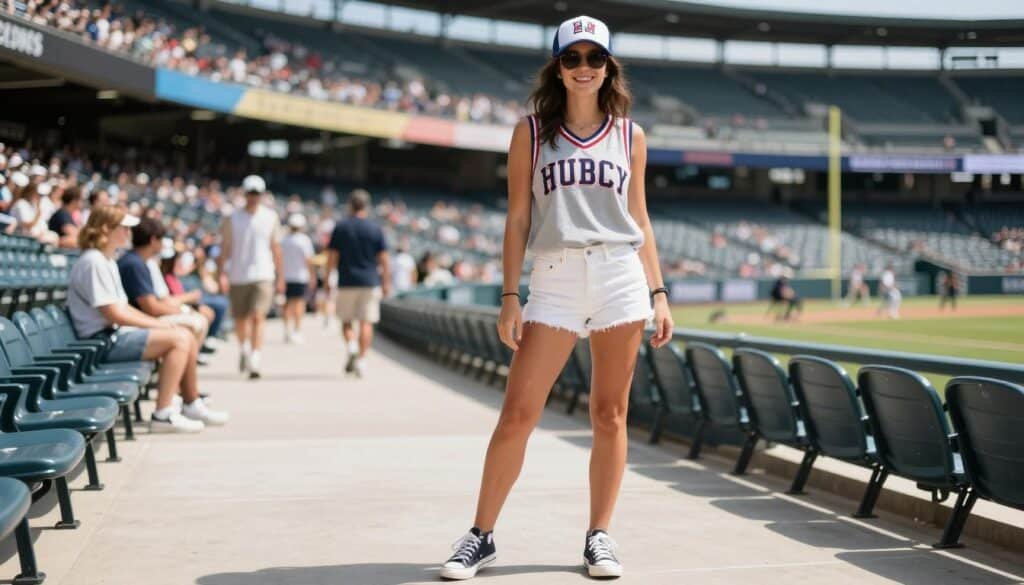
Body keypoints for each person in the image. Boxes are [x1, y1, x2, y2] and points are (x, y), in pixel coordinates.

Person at [438, 16, 673, 580]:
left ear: (609, 66)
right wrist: (510, 293)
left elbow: (639, 216)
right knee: (518, 413)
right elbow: (518, 217)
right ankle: (481, 534)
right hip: (555, 277)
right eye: (573, 58)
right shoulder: (532, 132)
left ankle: (599, 537)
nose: (585, 68)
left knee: (609, 414)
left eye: (596, 58)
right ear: (558, 67)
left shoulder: (629, 134)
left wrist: (659, 292)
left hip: (619, 275)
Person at [67, 205, 227, 433]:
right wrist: (160, 324)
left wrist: (162, 324)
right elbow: (114, 314)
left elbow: (122, 309)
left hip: (112, 335)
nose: (128, 233)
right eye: (123, 228)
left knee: (183, 335)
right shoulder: (94, 261)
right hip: (100, 342)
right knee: (180, 339)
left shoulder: (106, 260)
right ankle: (163, 414)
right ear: (105, 228)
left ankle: (190, 403)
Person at [217, 175, 284, 379]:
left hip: (263, 274)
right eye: (250, 193)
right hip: (238, 274)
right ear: (245, 194)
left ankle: (255, 357)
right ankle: (245, 348)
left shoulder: (271, 217)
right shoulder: (232, 218)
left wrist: (280, 277)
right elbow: (225, 248)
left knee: (258, 316)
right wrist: (221, 274)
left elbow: (275, 248)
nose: (253, 197)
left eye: (257, 193)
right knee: (240, 319)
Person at [326, 189, 391, 378]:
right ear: (366, 206)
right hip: (370, 282)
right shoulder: (375, 228)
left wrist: (328, 279)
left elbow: (332, 256)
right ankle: (362, 360)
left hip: (346, 281)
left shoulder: (341, 227)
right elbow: (384, 259)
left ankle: (352, 345)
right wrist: (386, 282)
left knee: (346, 321)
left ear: (350, 205)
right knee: (366, 322)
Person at [117, 217, 211, 345]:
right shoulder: (134, 263)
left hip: (141, 317)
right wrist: (183, 311)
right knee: (194, 323)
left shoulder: (139, 261)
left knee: (198, 320)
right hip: (136, 323)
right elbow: (151, 308)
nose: (162, 244)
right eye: (161, 239)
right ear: (153, 240)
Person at [281, 213, 315, 343]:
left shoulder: (284, 240)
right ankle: (296, 329)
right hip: (300, 277)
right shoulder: (304, 240)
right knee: (299, 304)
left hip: (287, 276)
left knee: (287, 304)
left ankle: (287, 329)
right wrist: (312, 276)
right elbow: (308, 260)